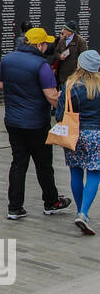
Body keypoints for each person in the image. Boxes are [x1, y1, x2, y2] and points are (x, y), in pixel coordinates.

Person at [0, 26, 71, 220]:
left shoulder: (8, 59)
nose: (47, 47)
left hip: (12, 121)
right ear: (38, 45)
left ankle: (14, 207)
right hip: (36, 123)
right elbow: (51, 97)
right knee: (44, 164)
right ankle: (51, 201)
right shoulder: (41, 65)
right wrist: (64, 96)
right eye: (45, 43)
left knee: (18, 163)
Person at [53, 49, 100, 235]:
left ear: (80, 65)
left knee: (76, 171)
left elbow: (59, 115)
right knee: (95, 172)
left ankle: (82, 212)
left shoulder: (69, 85)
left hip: (74, 133)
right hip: (96, 134)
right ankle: (83, 212)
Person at [49, 19, 87, 86]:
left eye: (64, 29)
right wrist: (60, 56)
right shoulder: (62, 39)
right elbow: (56, 53)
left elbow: (83, 57)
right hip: (62, 75)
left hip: (74, 76)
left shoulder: (80, 41)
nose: (62, 31)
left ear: (70, 31)